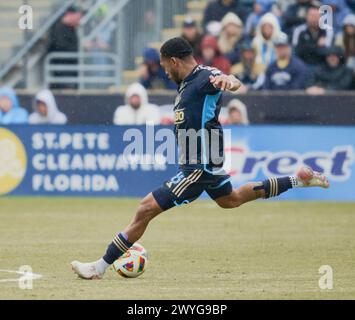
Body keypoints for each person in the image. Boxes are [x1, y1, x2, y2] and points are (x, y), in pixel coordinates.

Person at [71, 37, 329, 280]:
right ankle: (299, 180)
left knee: (145, 208)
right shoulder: (187, 84)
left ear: (173, 61)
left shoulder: (204, 77)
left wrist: (229, 81)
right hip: (208, 160)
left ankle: (99, 267)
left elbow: (228, 80)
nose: (164, 72)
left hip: (200, 165)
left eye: (164, 66)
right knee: (231, 200)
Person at [47, 6, 82, 89]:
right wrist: (79, 47)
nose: (79, 20)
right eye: (77, 17)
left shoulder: (72, 29)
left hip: (70, 70)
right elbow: (59, 46)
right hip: (62, 71)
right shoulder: (57, 28)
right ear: (70, 15)